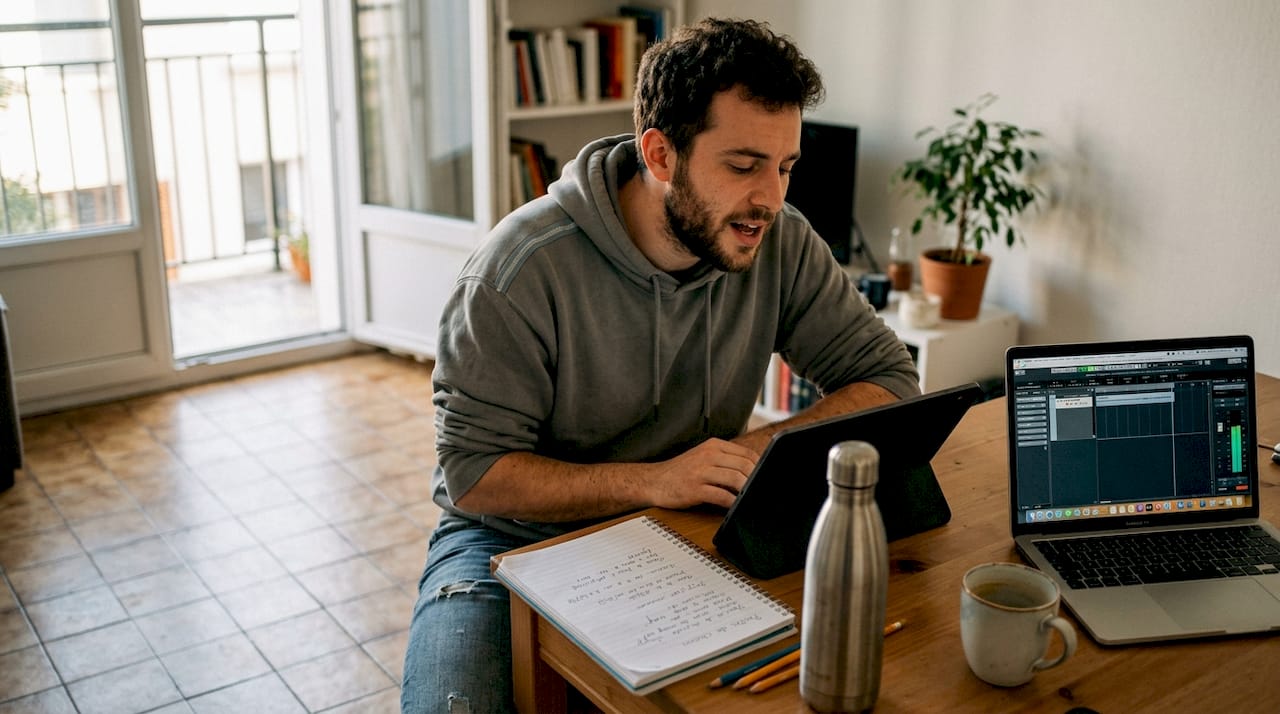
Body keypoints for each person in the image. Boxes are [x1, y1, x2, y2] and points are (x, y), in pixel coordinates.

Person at [401, 17, 919, 714]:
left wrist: (749, 454)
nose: (772, 197)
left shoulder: (779, 241)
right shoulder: (517, 271)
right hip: (509, 548)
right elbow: (473, 477)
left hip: (690, 529)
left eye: (786, 166)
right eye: (743, 165)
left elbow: (888, 380)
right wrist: (658, 479)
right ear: (661, 154)